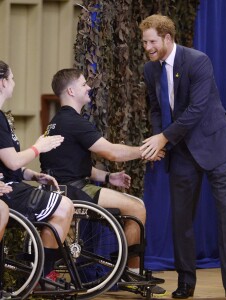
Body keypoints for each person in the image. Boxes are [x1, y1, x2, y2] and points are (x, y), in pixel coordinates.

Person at [139, 15, 226, 299]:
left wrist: (163, 137)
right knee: (181, 220)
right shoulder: (150, 70)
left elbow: (197, 110)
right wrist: (159, 139)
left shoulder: (198, 61)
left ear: (167, 38)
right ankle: (186, 282)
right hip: (181, 151)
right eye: (144, 41)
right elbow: (156, 110)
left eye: (152, 41)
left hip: (215, 146)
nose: (147, 47)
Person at [39, 68, 165, 288]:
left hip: (64, 187)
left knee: (131, 206)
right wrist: (145, 150)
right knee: (137, 207)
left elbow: (72, 166)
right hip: (74, 191)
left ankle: (125, 269)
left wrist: (109, 177)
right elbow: (112, 152)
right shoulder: (74, 122)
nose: (89, 87)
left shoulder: (55, 123)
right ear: (70, 90)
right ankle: (131, 273)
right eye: (84, 84)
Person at [0, 60, 74, 285]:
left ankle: (35, 268)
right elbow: (11, 162)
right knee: (64, 206)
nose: (14, 82)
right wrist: (38, 147)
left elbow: (8, 164)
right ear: (2, 83)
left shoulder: (2, 117)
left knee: (61, 203)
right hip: (8, 190)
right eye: (11, 78)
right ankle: (42, 274)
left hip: (12, 183)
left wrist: (32, 175)